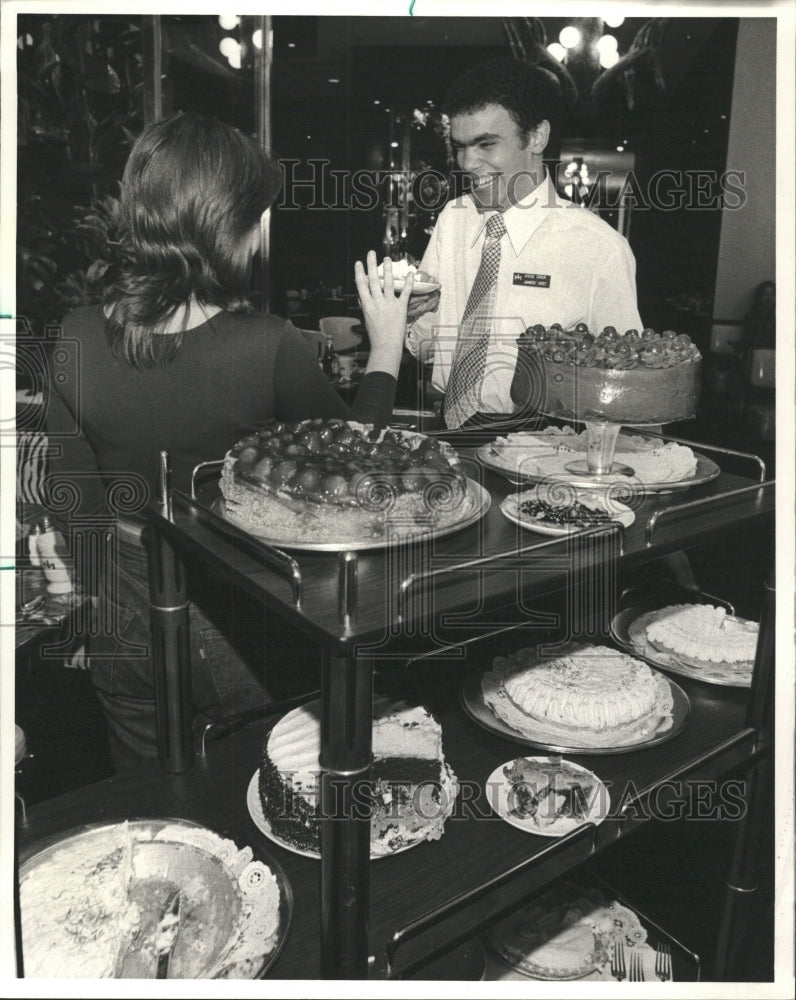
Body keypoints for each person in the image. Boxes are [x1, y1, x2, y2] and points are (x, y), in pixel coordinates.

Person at [43, 112, 413, 771]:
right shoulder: (266, 345)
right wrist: (385, 348)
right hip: (239, 626)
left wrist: (97, 619)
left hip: (121, 624)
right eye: (258, 213)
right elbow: (362, 468)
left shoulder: (71, 335)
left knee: (151, 813)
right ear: (226, 223)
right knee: (256, 806)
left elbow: (78, 509)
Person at [405, 57, 643, 429]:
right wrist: (410, 316)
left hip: (543, 444)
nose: (468, 162)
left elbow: (628, 385)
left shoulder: (599, 248)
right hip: (448, 430)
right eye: (460, 146)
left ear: (536, 137)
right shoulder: (453, 219)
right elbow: (429, 346)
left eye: (486, 144)